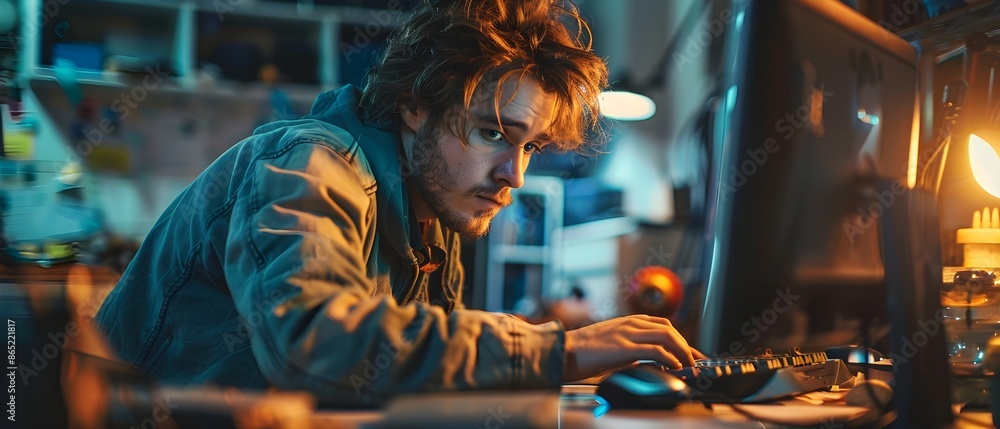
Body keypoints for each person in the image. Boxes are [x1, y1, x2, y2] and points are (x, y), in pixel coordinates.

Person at [95, 0, 701, 406]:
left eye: (531, 147)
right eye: (493, 133)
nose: (513, 174)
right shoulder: (311, 164)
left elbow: (411, 369)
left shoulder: (435, 220)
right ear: (415, 106)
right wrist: (560, 350)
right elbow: (312, 343)